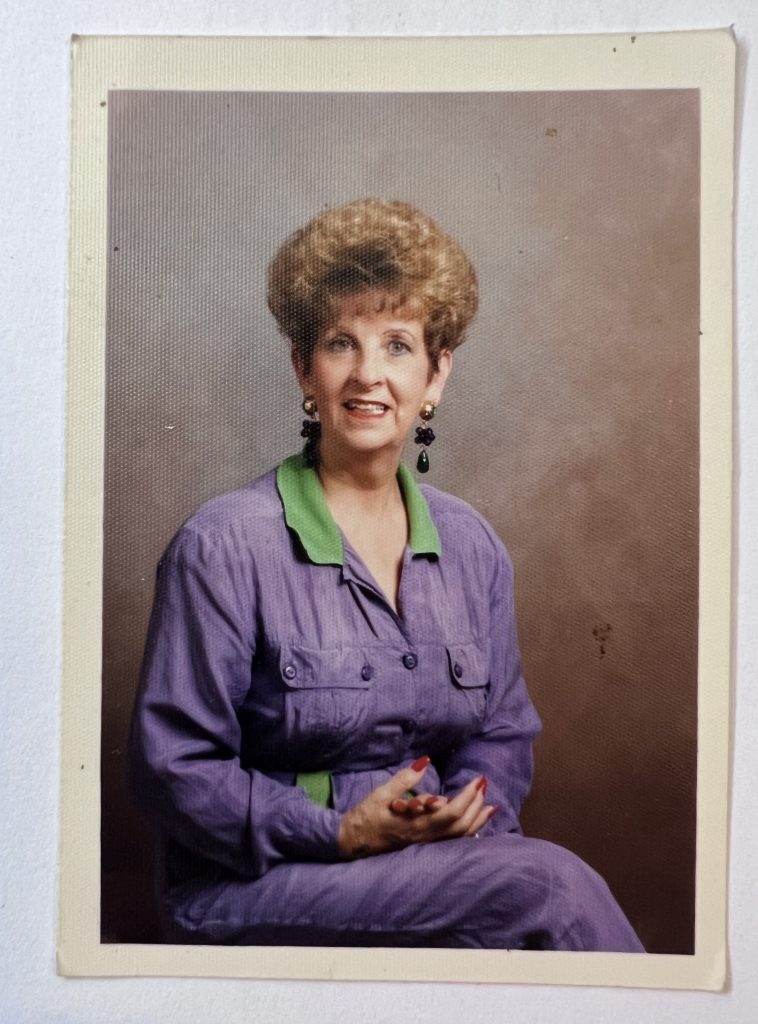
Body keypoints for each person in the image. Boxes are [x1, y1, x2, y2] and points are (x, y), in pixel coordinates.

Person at [129, 198, 644, 951]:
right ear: (304, 368)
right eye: (342, 342)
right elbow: (174, 769)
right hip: (259, 881)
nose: (368, 374)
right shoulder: (223, 546)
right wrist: (337, 831)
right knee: (548, 891)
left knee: (508, 922)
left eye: (398, 345)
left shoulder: (471, 547)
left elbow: (502, 733)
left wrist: (465, 818)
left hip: (430, 867)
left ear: (437, 374)